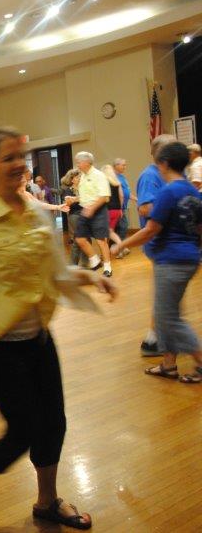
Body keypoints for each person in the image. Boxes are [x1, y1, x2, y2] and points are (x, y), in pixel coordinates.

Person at [0, 127, 115, 531]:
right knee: (24, 428)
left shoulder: (33, 212)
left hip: (39, 338)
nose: (19, 164)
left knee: (53, 423)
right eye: (9, 158)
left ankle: (47, 501)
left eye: (22, 156)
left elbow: (53, 270)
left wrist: (92, 277)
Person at [112, 142, 202, 383]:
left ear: (164, 163)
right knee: (167, 314)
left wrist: (121, 244)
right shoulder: (193, 191)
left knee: (169, 318)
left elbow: (151, 229)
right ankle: (169, 365)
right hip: (187, 258)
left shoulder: (168, 192)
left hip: (171, 261)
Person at [136, 134, 176, 356]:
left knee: (167, 294)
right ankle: (153, 340)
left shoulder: (168, 174)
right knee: (166, 294)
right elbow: (145, 208)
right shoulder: (150, 175)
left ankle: (155, 338)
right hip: (160, 244)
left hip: (169, 243)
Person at [74, 151, 113, 277]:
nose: (77, 165)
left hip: (98, 210)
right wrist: (74, 198)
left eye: (78, 162)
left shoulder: (98, 175)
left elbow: (104, 196)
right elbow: (86, 196)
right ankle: (95, 261)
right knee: (79, 238)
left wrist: (92, 208)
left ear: (86, 162)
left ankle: (107, 268)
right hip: (85, 210)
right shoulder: (82, 176)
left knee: (101, 240)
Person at [61, 169, 86, 266]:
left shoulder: (84, 189)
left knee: (85, 239)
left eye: (80, 176)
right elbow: (67, 203)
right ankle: (73, 265)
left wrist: (76, 199)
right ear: (72, 180)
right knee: (79, 239)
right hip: (75, 215)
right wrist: (75, 199)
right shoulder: (68, 190)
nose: (79, 178)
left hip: (85, 215)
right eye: (77, 177)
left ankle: (86, 264)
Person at [101, 164, 125, 252]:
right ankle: (121, 246)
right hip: (117, 210)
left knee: (105, 232)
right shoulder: (117, 183)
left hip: (107, 210)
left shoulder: (103, 183)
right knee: (110, 231)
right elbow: (121, 196)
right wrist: (120, 209)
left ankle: (106, 252)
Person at [113, 158, 133, 257]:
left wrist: (137, 199)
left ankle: (122, 247)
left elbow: (127, 192)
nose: (125, 167)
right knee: (122, 227)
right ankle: (119, 249)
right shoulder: (113, 177)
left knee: (122, 227)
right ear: (116, 165)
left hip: (123, 206)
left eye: (125, 165)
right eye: (123, 165)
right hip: (117, 207)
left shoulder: (122, 177)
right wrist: (119, 208)